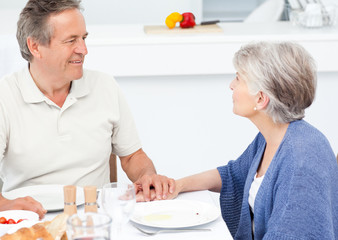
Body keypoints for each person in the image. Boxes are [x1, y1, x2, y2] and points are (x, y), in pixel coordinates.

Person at [0, 0, 174, 219]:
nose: (83, 50)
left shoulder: (105, 86)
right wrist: (5, 204)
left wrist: (148, 175)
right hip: (27, 218)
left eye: (84, 38)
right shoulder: (4, 97)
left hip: (95, 216)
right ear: (35, 46)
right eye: (71, 40)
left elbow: (132, 157)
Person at [163, 42, 338, 239]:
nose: (231, 85)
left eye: (238, 78)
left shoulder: (302, 160)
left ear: (261, 99)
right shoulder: (271, 136)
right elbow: (233, 175)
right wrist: (177, 185)